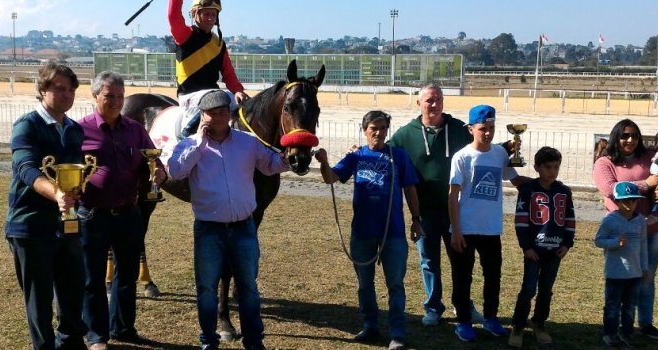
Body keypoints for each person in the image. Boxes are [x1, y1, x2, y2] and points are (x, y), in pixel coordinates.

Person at [167, 90, 290, 350]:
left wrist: (289, 157)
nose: (218, 118)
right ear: (203, 115)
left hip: (243, 228)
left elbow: (269, 165)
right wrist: (199, 144)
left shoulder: (248, 142)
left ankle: (254, 341)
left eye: (222, 112)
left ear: (229, 113)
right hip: (209, 230)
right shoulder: (188, 144)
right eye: (212, 113)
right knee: (207, 291)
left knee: (248, 288)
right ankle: (209, 341)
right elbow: (176, 171)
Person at [315, 111, 422, 350]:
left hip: (392, 232)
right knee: (365, 284)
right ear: (365, 130)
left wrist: (416, 219)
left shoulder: (399, 157)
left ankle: (397, 332)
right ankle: (370, 325)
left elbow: (411, 190)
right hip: (362, 232)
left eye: (383, 128)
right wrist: (323, 162)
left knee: (395, 284)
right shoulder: (356, 157)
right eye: (374, 128)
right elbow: (330, 178)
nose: (379, 132)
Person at [78, 71, 167, 349]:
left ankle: (124, 328)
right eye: (109, 96)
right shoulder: (78, 130)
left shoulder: (135, 129)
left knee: (126, 275)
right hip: (92, 215)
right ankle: (96, 336)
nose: (116, 101)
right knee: (92, 278)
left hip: (129, 214)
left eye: (120, 96)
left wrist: (159, 174)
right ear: (95, 96)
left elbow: (154, 162)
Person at [385, 84, 484, 327]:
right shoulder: (405, 134)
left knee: (461, 261)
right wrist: (359, 152)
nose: (435, 104)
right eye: (429, 100)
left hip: (457, 212)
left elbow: (482, 144)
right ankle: (433, 307)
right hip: (424, 213)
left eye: (439, 99)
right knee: (429, 261)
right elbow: (384, 153)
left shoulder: (459, 129)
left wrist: (507, 148)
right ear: (419, 103)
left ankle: (463, 305)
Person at [5, 62, 88, 350]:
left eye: (71, 90)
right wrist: (57, 194)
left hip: (69, 224)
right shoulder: (27, 125)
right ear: (43, 90)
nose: (67, 95)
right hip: (30, 225)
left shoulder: (75, 130)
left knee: (74, 291)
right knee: (39, 299)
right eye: (59, 88)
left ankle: (72, 342)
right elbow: (25, 168)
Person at [448, 105, 531, 342]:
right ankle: (463, 321)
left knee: (493, 276)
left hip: (491, 229)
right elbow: (453, 195)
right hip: (465, 228)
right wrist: (456, 230)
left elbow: (515, 180)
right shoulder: (462, 157)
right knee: (463, 278)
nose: (488, 133)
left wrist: (546, 182)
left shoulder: (500, 154)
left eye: (492, 128)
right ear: (471, 129)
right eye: (483, 128)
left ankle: (491, 318)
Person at [592, 119, 658, 341]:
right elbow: (609, 190)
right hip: (621, 231)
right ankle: (615, 327)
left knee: (647, 276)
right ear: (616, 136)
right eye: (625, 135)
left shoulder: (650, 156)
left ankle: (645, 323)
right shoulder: (605, 162)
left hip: (653, 227)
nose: (630, 140)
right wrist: (647, 184)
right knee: (621, 279)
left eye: (635, 135)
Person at [508, 147, 576, 348]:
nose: (552, 172)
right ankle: (518, 326)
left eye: (556, 167)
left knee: (546, 290)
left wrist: (567, 244)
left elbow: (570, 219)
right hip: (534, 251)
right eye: (547, 167)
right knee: (528, 288)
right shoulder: (528, 191)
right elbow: (520, 221)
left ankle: (539, 323)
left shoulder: (564, 191)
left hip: (555, 251)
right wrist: (526, 246)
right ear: (537, 167)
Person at [168, 0, 249, 138]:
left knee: (249, 106)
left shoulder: (218, 44)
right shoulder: (184, 34)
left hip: (214, 96)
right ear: (195, 14)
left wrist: (238, 91)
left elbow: (228, 73)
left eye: (213, 14)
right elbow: (173, 15)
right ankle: (186, 134)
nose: (210, 18)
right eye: (206, 14)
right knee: (217, 98)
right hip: (189, 96)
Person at [595, 181, 649, 348]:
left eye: (633, 201)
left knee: (630, 305)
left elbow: (643, 245)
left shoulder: (640, 220)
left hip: (634, 273)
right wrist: (615, 242)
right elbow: (599, 241)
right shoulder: (610, 220)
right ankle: (610, 334)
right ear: (617, 202)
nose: (630, 205)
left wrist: (644, 267)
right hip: (615, 272)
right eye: (625, 201)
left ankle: (627, 332)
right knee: (612, 305)